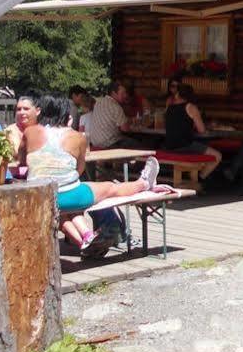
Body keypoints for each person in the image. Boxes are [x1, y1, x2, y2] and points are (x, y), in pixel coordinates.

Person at [20, 94, 160, 257]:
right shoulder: (77, 137)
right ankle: (143, 183)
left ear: (40, 112)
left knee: (60, 211)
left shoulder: (29, 132)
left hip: (40, 197)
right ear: (67, 114)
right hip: (71, 195)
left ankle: (85, 239)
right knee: (110, 187)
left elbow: (22, 160)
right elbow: (79, 170)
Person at [164, 83, 221, 182]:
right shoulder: (190, 107)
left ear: (178, 94)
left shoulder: (169, 107)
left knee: (202, 152)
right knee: (217, 156)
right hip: (185, 145)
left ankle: (193, 176)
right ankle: (199, 179)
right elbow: (202, 130)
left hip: (169, 145)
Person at [89, 81, 142, 149]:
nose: (125, 95)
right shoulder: (115, 106)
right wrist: (131, 123)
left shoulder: (98, 102)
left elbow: (109, 119)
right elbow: (125, 129)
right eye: (122, 93)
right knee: (140, 145)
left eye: (125, 93)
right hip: (110, 143)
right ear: (114, 93)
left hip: (95, 143)